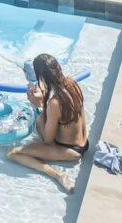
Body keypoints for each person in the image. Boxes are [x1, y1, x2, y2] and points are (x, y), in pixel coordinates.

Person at [7, 54, 87, 193]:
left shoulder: (54, 103)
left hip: (69, 150)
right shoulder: (73, 83)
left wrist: (40, 105)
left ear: (41, 76)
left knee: (12, 153)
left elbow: (48, 140)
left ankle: (57, 175)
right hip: (83, 143)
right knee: (40, 120)